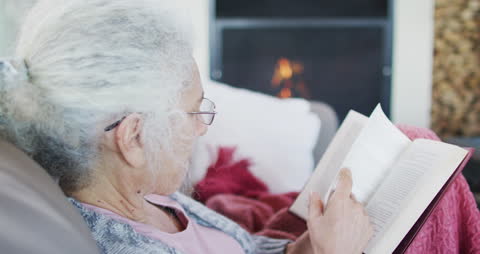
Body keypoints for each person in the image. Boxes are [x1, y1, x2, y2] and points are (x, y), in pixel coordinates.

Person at [0, 0, 373, 253]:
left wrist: (304, 247)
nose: (202, 129)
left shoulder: (149, 194)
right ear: (133, 137)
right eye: (193, 113)